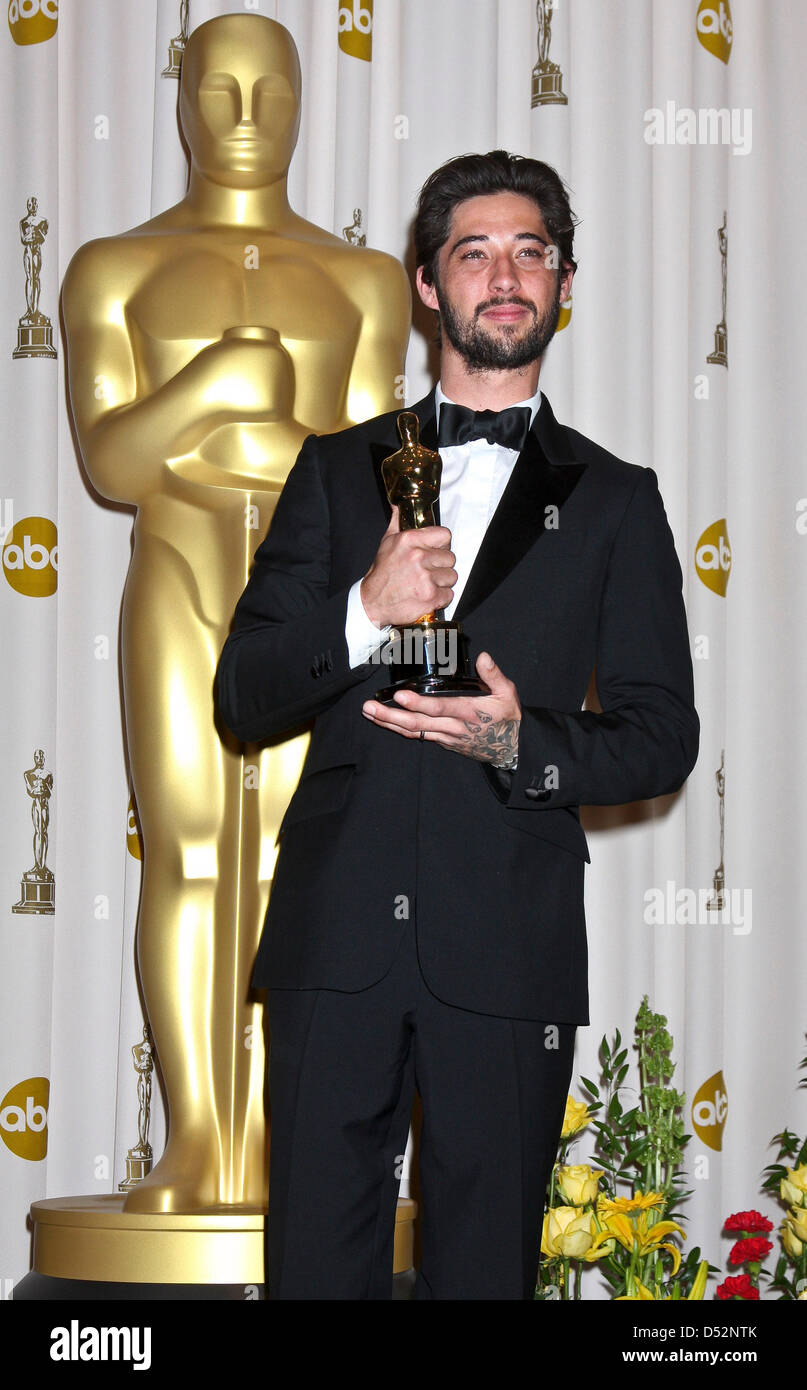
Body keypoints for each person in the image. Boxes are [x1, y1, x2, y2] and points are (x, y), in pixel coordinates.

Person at [216, 149, 699, 1300]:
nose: (504, 273)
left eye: (531, 251)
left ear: (564, 286)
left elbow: (659, 735)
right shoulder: (337, 472)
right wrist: (361, 609)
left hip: (510, 943)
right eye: (473, 250)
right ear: (427, 284)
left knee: (483, 1275)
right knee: (316, 1274)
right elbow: (244, 695)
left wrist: (516, 742)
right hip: (337, 939)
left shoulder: (616, 496)